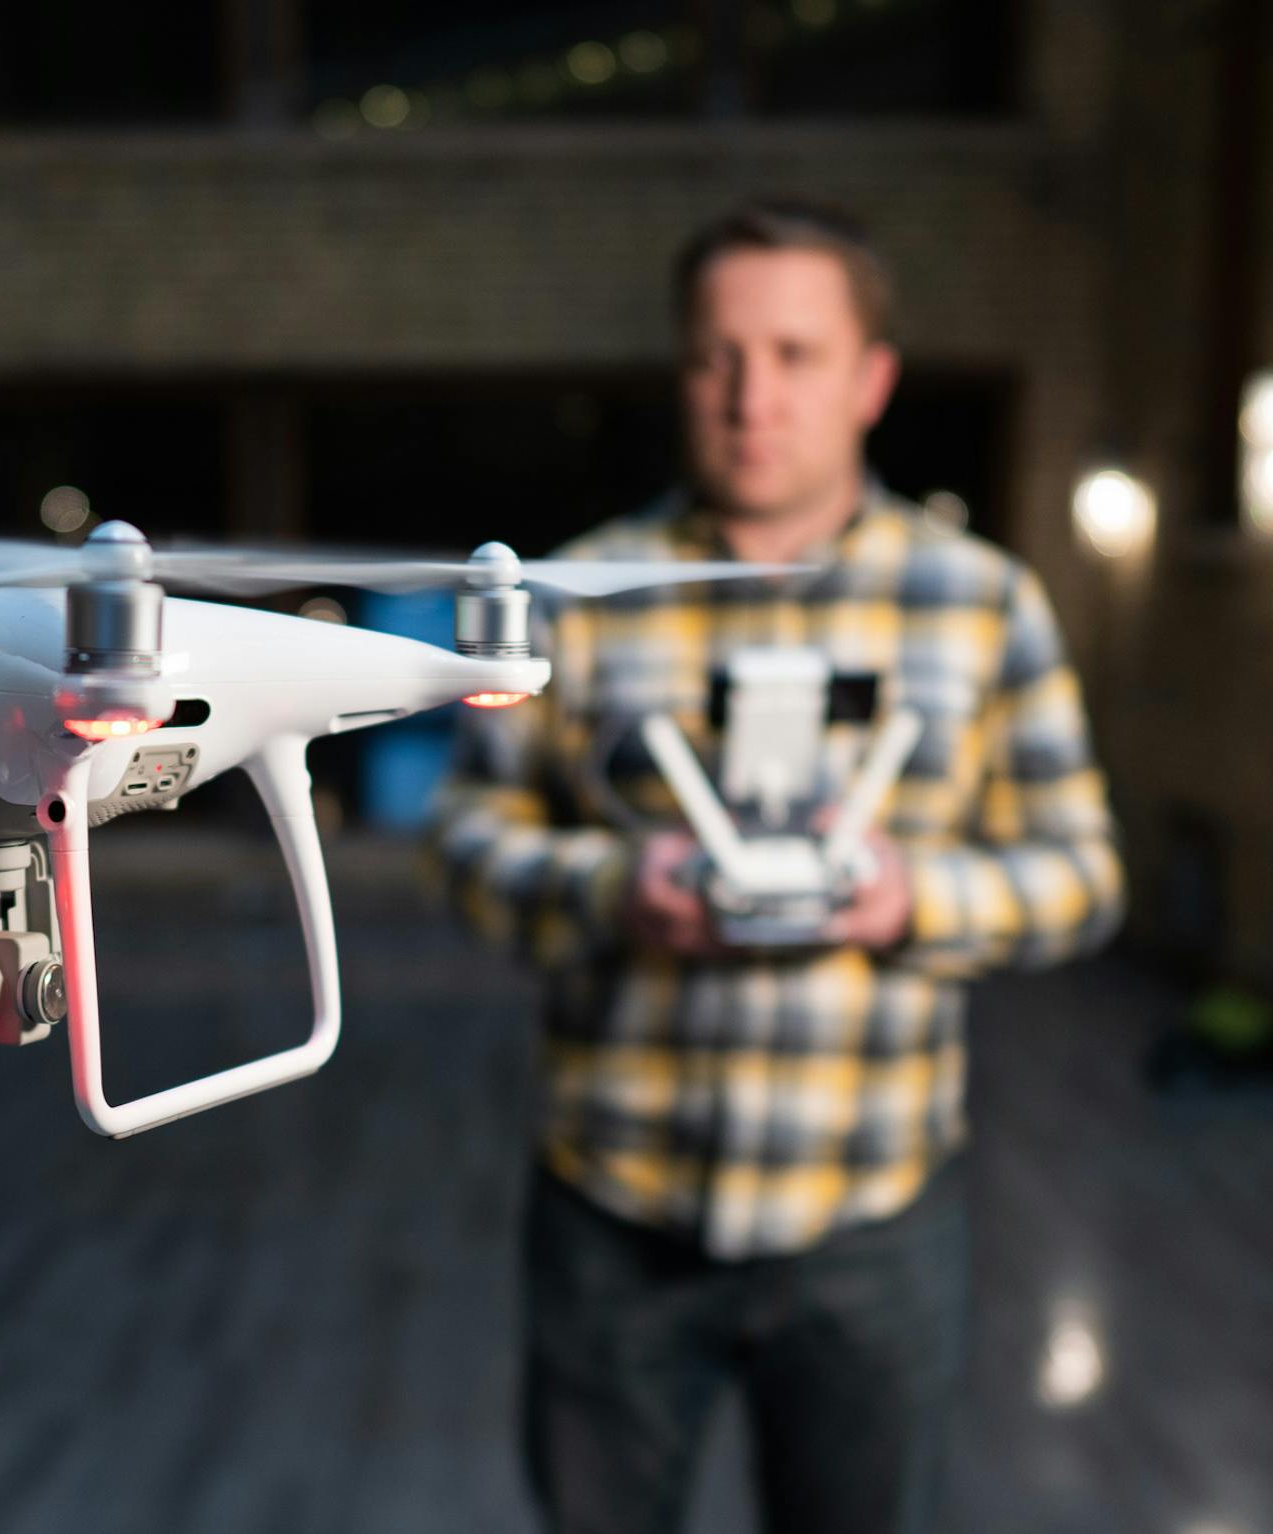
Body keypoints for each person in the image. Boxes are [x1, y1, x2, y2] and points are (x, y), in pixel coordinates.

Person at [434, 200, 1125, 1534]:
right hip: (615, 1204)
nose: (752, 397)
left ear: (872, 378)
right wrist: (613, 891)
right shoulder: (576, 596)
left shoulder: (984, 603)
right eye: (719, 356)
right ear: (682, 370)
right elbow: (466, 839)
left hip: (873, 1213)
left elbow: (1084, 873)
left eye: (797, 354)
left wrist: (912, 897)